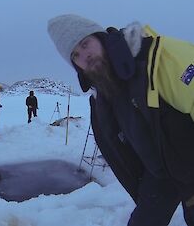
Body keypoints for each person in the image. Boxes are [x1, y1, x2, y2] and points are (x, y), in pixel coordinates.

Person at [47, 14, 194, 225]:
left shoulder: (159, 58)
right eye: (76, 55)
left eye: (85, 44)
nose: (84, 56)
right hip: (162, 172)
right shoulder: (106, 92)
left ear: (100, 37)